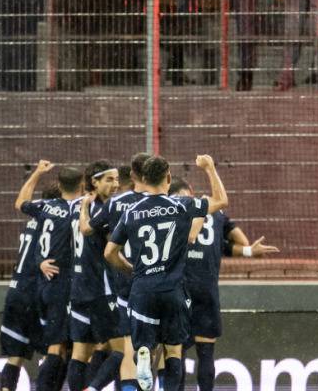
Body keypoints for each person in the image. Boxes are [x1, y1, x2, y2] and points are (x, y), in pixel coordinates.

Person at [104, 155, 223, 391]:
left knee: (143, 345)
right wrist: (209, 167)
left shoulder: (131, 212)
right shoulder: (181, 206)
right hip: (172, 290)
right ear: (168, 178)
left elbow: (109, 252)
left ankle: (144, 352)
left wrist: (128, 268)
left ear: (143, 178)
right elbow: (221, 200)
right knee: (173, 351)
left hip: (142, 290)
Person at [170, 171, 279, 391]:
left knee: (176, 351)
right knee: (206, 352)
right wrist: (248, 251)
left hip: (180, 287)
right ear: (191, 191)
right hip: (206, 288)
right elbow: (239, 242)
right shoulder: (217, 213)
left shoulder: (172, 212)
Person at [80, 153, 152, 391]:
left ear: (131, 175)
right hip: (154, 281)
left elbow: (87, 230)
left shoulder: (115, 204)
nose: (114, 184)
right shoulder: (165, 203)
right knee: (160, 347)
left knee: (123, 346)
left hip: (122, 282)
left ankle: (94, 388)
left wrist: (83, 207)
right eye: (109, 179)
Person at [16, 160, 79, 391]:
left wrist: (37, 174)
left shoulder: (45, 206)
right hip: (61, 284)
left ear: (59, 186)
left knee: (65, 347)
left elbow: (20, 203)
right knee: (58, 347)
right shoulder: (76, 210)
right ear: (82, 185)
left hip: (45, 284)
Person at [64, 160, 123, 391]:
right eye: (109, 179)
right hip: (101, 289)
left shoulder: (76, 206)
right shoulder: (104, 211)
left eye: (117, 179)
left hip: (78, 287)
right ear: (94, 182)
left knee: (80, 353)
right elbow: (112, 249)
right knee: (123, 350)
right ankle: (94, 388)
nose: (115, 184)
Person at [0, 182, 59, 391]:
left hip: (16, 290)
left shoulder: (33, 219)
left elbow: (21, 201)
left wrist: (37, 173)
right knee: (52, 352)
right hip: (37, 292)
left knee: (15, 357)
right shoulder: (55, 221)